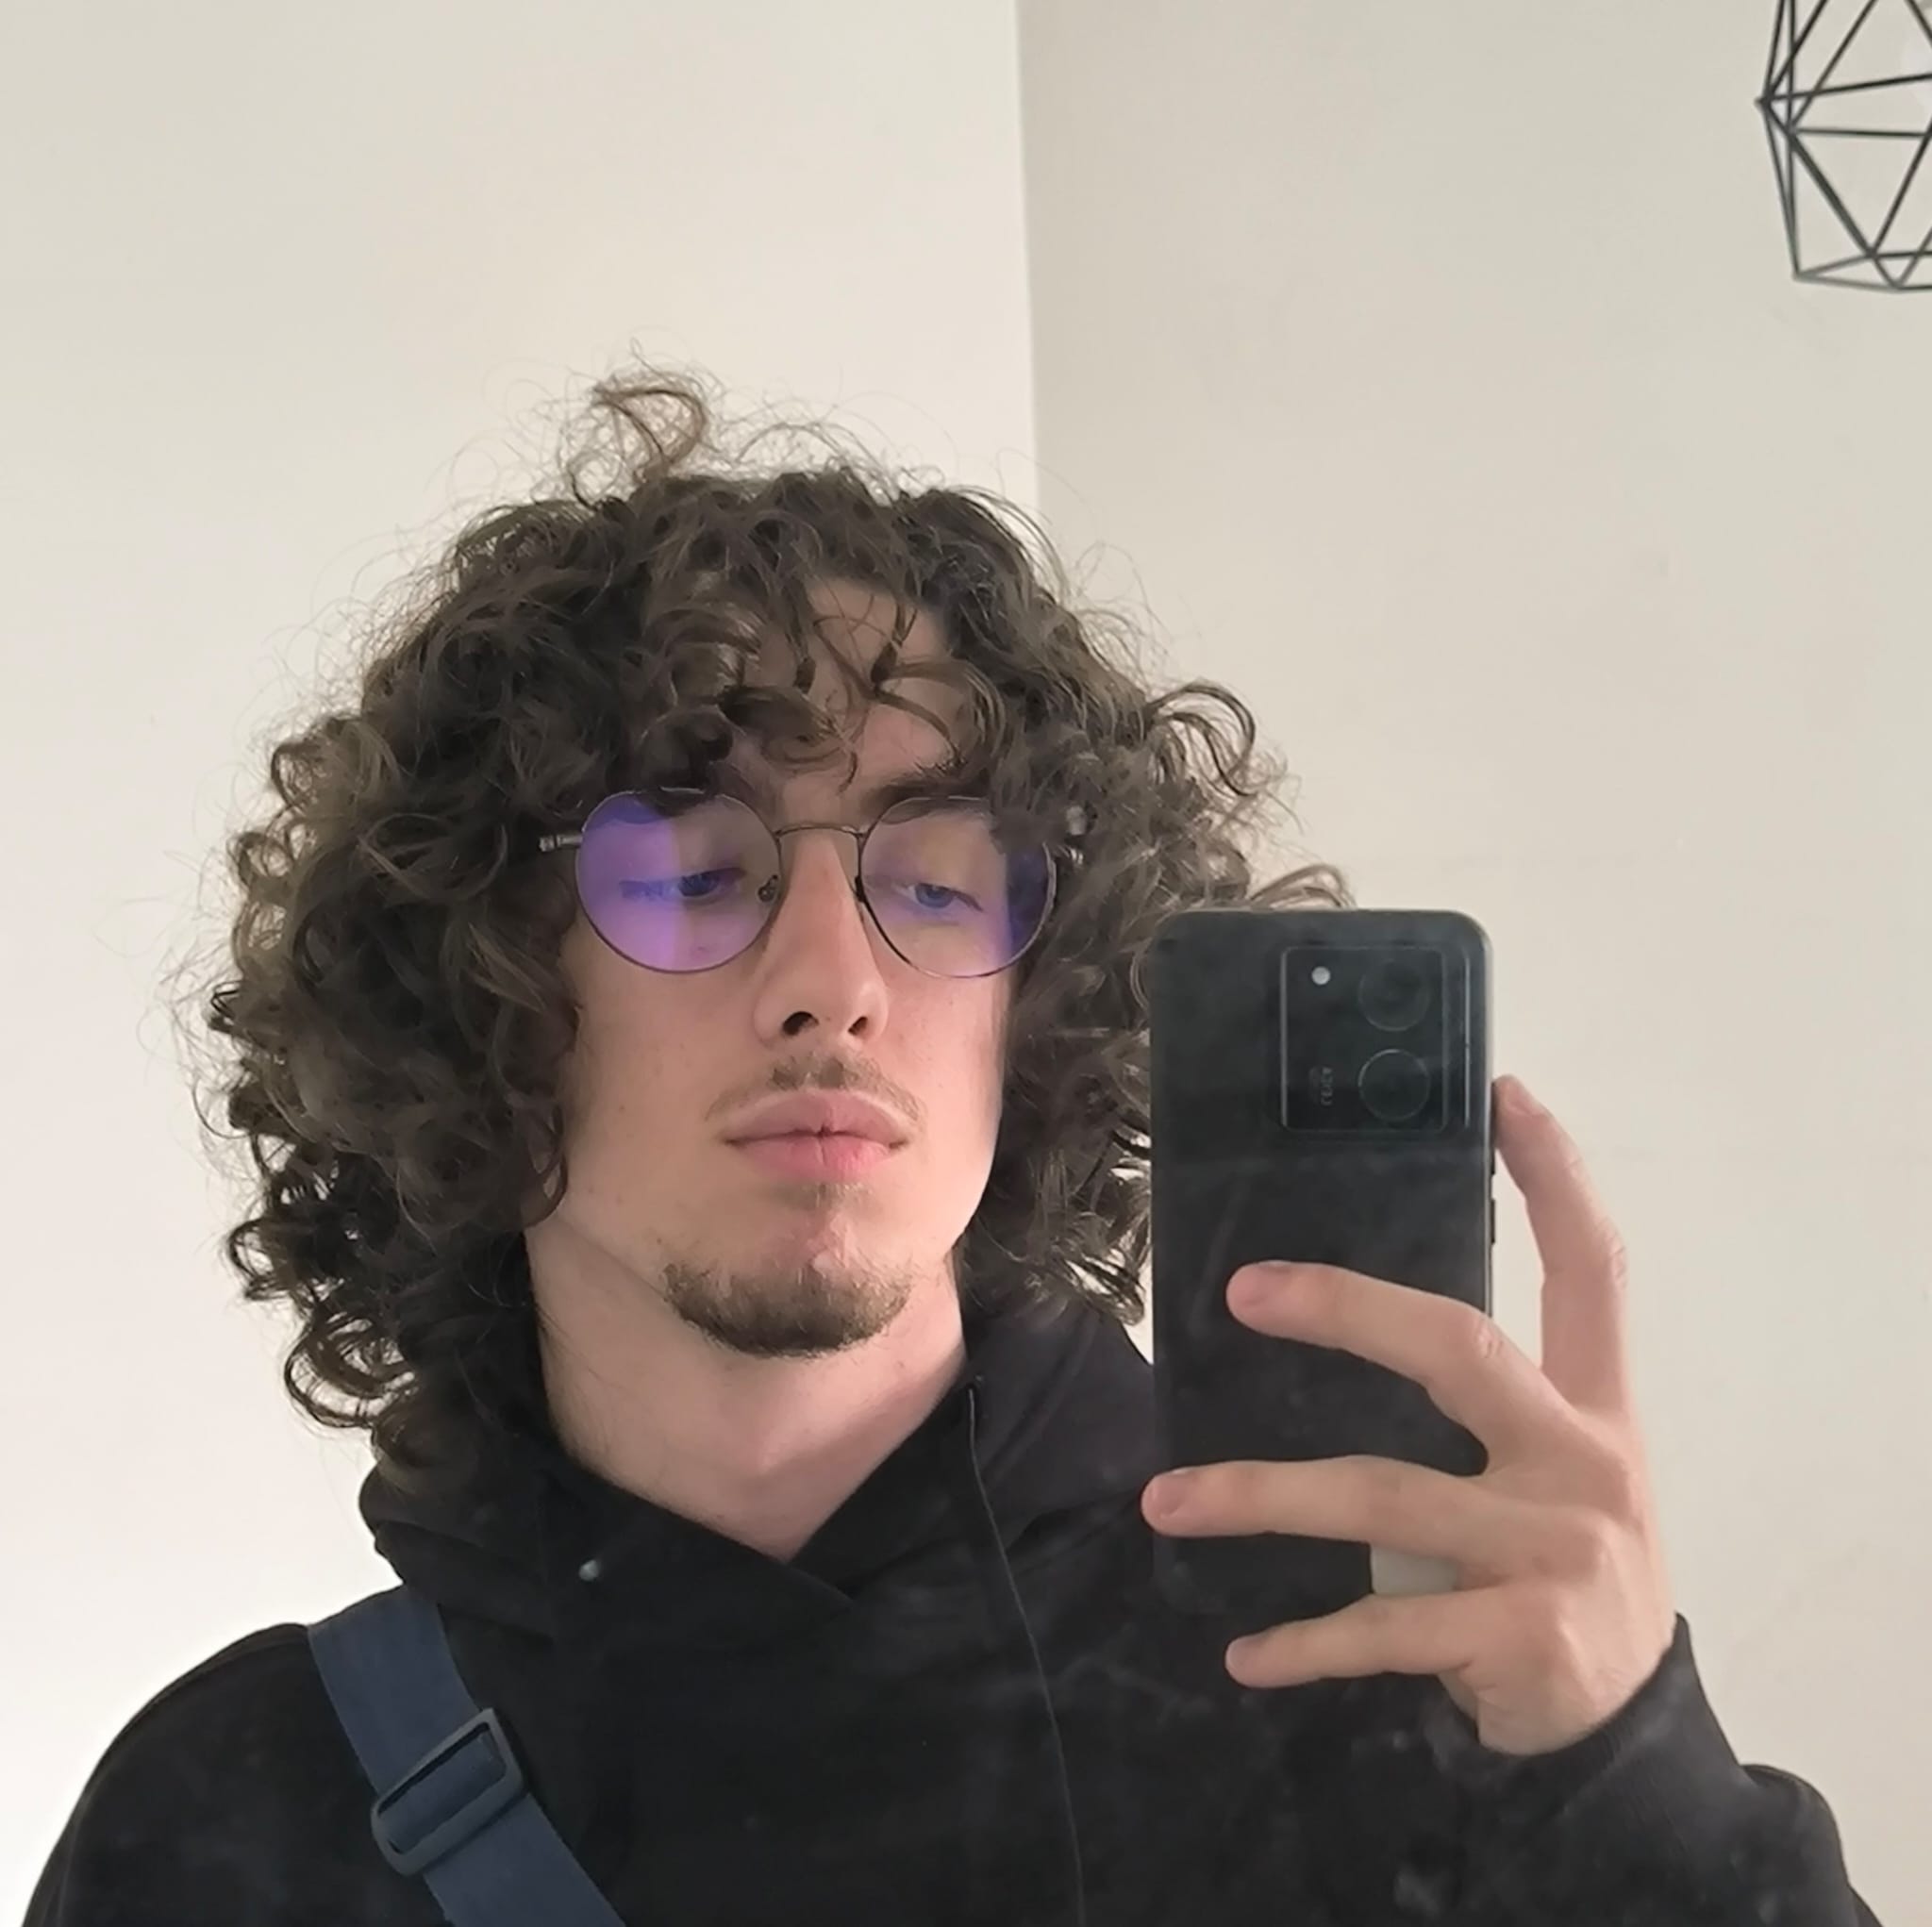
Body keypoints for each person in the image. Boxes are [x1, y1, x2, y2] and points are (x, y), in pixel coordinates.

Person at [27, 370, 1879, 1926]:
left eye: (932, 874)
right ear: (484, 987)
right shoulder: (241, 1825)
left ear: (1039, 998)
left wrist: (1639, 1786)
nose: (832, 983)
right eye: (690, 868)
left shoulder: (1392, 1690)